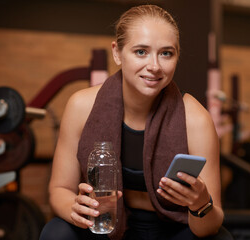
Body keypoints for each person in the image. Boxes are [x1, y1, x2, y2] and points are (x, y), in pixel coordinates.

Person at [40, 4, 232, 240]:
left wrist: (201, 204)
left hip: (172, 229)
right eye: (141, 51)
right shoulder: (81, 106)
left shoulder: (195, 118)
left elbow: (210, 224)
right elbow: (60, 189)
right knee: (56, 232)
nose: (154, 66)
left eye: (166, 53)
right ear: (117, 53)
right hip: (106, 225)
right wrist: (75, 208)